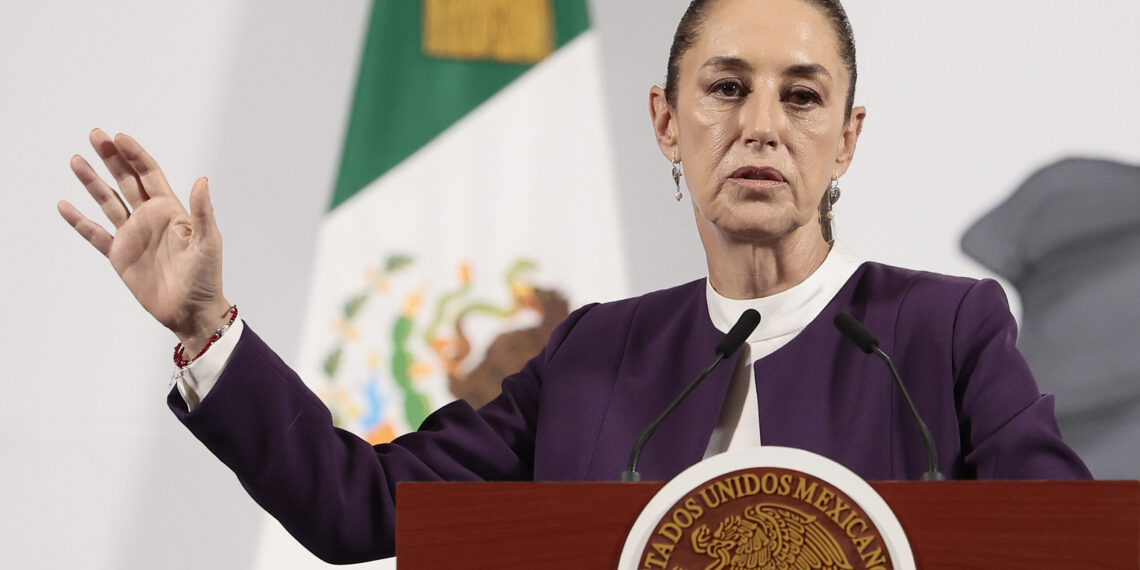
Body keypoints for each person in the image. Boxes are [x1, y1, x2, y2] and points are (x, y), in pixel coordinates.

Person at [58, 0, 1090, 563]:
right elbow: (357, 508)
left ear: (847, 139)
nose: (763, 125)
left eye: (803, 96)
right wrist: (207, 328)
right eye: (726, 89)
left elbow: (1064, 548)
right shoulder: (597, 355)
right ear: (667, 124)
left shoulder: (941, 332)